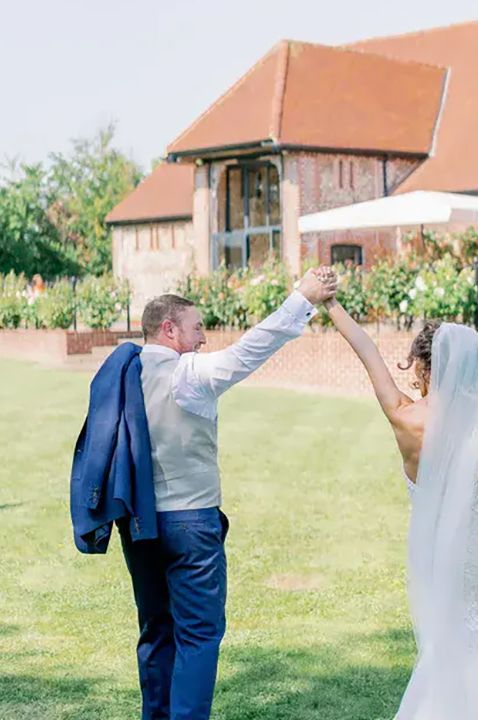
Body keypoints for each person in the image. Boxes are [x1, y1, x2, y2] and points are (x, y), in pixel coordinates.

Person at [72, 268, 337, 720]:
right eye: (196, 328)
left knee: (156, 630)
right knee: (199, 636)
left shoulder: (124, 373)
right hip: (190, 525)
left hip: (139, 522)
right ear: (169, 329)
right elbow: (253, 348)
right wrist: (302, 298)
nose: (203, 338)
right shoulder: (189, 373)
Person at [321, 268, 478, 719]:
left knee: (445, 650)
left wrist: (331, 305)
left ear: (424, 368)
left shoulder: (406, 419)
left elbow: (368, 351)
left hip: (438, 563)